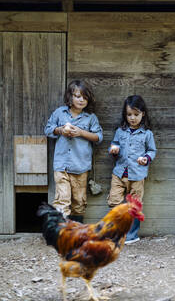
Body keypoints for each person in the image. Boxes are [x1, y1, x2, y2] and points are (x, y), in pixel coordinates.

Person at [44, 79, 103, 223]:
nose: (81, 100)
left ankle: (76, 230)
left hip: (80, 166)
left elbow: (98, 137)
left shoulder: (90, 118)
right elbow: (48, 129)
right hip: (61, 164)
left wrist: (81, 133)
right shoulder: (60, 113)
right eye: (78, 96)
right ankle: (61, 231)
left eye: (85, 97)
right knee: (62, 198)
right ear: (70, 97)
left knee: (79, 201)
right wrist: (60, 130)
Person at [108, 95, 156, 244]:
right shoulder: (120, 131)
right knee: (114, 200)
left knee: (135, 204)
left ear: (143, 114)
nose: (132, 118)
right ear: (125, 115)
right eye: (129, 115)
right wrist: (113, 149)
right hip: (119, 172)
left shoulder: (147, 134)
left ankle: (132, 234)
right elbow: (114, 144)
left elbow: (152, 151)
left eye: (136, 114)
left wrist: (146, 158)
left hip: (137, 174)